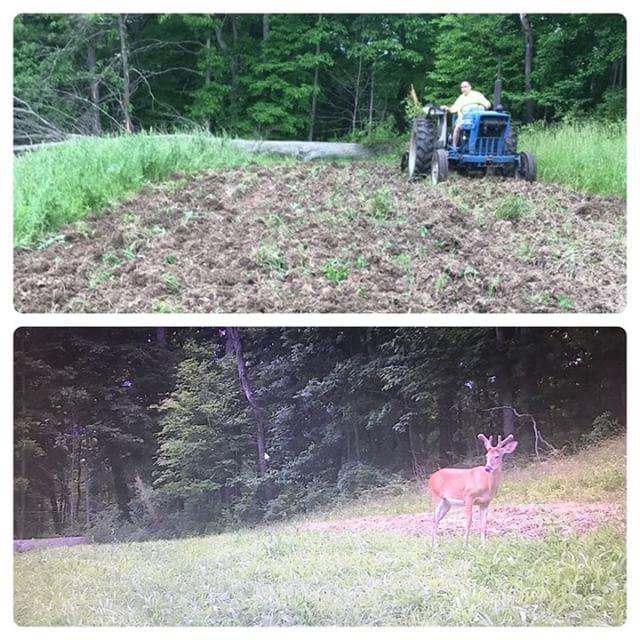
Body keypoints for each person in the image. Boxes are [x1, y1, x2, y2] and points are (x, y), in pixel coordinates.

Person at [440, 81, 491, 147]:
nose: (463, 89)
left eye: (465, 87)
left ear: (470, 87)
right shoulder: (461, 98)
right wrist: (447, 108)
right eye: (462, 87)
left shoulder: (477, 95)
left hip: (478, 117)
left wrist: (483, 106)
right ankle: (454, 145)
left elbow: (487, 104)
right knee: (458, 127)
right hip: (464, 118)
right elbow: (453, 109)